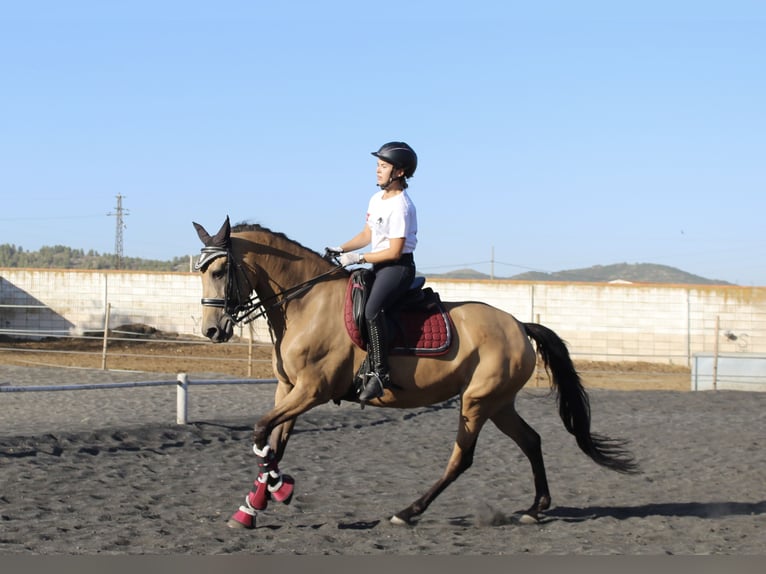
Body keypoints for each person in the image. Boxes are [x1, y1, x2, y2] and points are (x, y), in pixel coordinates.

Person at [329, 141, 418, 404]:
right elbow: (368, 234)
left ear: (399, 172)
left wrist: (358, 257)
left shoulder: (402, 206)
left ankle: (380, 374)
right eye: (377, 165)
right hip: (378, 265)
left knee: (371, 310)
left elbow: (394, 251)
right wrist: (340, 247)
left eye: (383, 166)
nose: (377, 171)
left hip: (398, 268)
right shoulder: (376, 199)